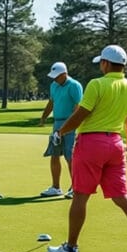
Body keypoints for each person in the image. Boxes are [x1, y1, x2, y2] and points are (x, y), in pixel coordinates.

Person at [45, 45, 127, 252]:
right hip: (115, 144)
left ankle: (70, 248)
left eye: (101, 63)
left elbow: (81, 114)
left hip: (90, 144)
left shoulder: (97, 84)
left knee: (80, 196)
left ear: (105, 63)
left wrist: (60, 132)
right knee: (122, 197)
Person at [38, 61, 83, 199]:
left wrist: (72, 125)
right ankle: (56, 187)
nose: (55, 79)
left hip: (70, 124)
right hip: (57, 124)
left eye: (57, 76)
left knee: (70, 156)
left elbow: (78, 107)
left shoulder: (74, 85)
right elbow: (51, 102)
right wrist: (44, 117)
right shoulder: (54, 85)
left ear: (64, 74)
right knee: (54, 154)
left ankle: (75, 187)